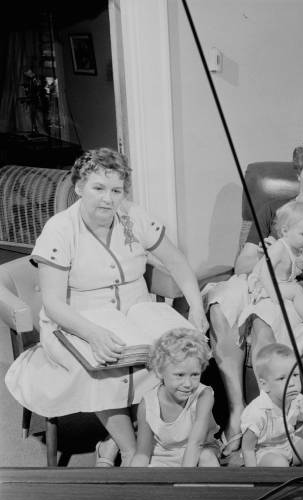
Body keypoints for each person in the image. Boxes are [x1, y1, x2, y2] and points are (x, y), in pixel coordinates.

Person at [5, 148, 208, 467]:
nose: (108, 199)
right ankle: (130, 451)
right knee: (107, 368)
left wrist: (196, 308)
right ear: (79, 187)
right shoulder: (60, 229)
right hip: (73, 323)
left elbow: (177, 262)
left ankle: (121, 440)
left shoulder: (133, 215)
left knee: (178, 356)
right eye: (98, 188)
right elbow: (54, 303)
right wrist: (93, 333)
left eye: (116, 190)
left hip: (138, 316)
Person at [203, 137, 303, 457]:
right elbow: (243, 263)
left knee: (264, 319)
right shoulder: (271, 209)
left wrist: (301, 268)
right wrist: (266, 260)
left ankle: (270, 420)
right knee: (221, 301)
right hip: (257, 281)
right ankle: (238, 411)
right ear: (298, 173)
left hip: (294, 290)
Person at [130, 328, 219, 467]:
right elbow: (143, 453)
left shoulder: (204, 395)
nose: (188, 384)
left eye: (195, 374)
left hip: (198, 451)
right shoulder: (148, 404)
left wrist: (181, 483)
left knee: (207, 457)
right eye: (179, 375)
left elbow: (196, 443)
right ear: (160, 372)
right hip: (162, 458)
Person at [240, 200, 303, 332]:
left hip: (283, 284)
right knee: (297, 290)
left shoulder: (300, 251)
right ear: (285, 231)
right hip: (264, 286)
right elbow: (264, 273)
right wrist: (274, 295)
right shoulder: (279, 248)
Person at [241, 343, 303, 467]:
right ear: (265, 384)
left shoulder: (297, 401)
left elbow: (300, 422)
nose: (292, 383)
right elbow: (248, 448)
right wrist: (253, 477)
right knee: (279, 464)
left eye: (295, 375)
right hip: (265, 452)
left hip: (290, 445)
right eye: (282, 378)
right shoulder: (257, 412)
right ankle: (279, 483)